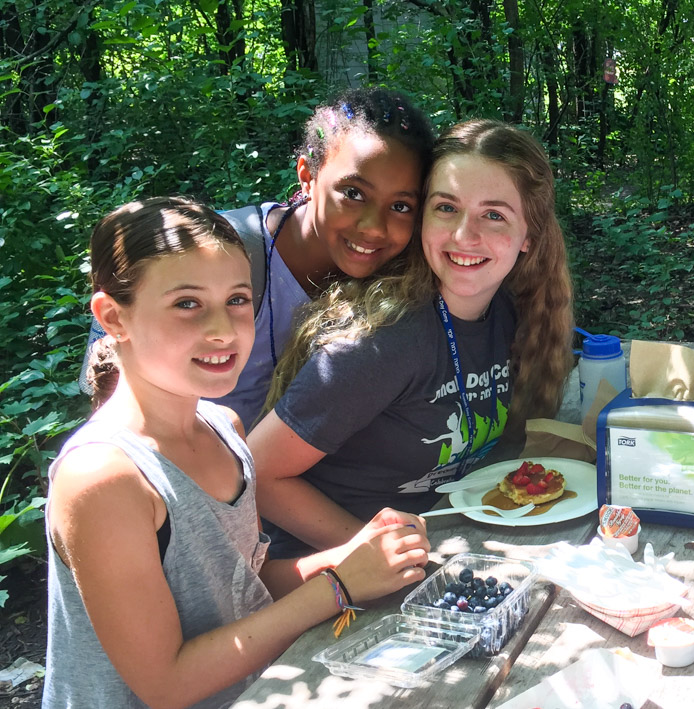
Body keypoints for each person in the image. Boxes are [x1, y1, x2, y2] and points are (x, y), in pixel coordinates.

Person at [46, 197, 432, 709]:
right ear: (113, 317)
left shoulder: (224, 429)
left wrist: (355, 555)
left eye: (237, 299)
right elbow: (166, 684)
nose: (223, 330)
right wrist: (338, 587)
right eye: (187, 303)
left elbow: (240, 586)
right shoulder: (104, 478)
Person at [249, 119, 574, 558]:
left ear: (528, 238)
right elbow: (257, 472)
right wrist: (369, 551)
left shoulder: (514, 316)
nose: (464, 235)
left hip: (448, 543)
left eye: (493, 215)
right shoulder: (382, 343)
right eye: (446, 208)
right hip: (331, 573)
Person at [78, 88, 435, 429]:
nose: (374, 228)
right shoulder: (220, 252)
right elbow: (113, 392)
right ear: (307, 176)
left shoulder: (402, 279)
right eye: (353, 193)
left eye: (401, 206)